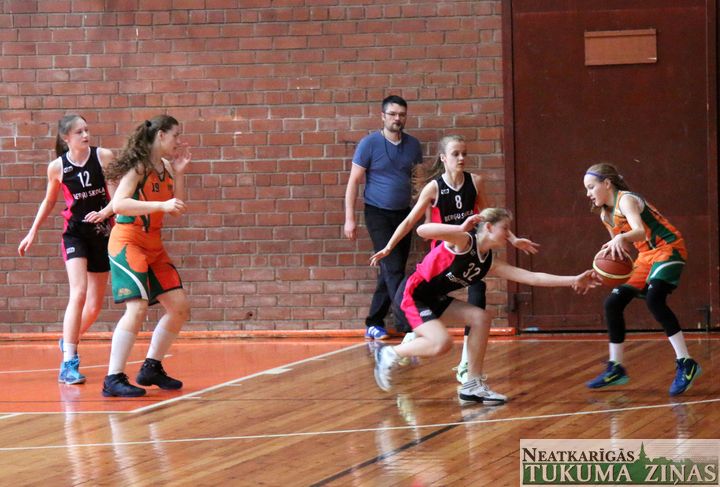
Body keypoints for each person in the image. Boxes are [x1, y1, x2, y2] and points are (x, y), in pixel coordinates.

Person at [373, 208, 599, 404]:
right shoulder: (463, 241)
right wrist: (459, 228)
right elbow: (423, 231)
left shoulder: (489, 262)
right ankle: (389, 353)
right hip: (413, 294)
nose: (509, 234)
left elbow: (533, 277)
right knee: (442, 343)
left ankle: (472, 384)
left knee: (480, 318)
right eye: (505, 228)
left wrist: (574, 280)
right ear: (489, 227)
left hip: (434, 297)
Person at [370, 135, 539, 380]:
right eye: (455, 154)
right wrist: (388, 247)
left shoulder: (475, 182)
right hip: (445, 253)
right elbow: (410, 221)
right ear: (443, 158)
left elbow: (491, 216)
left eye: (464, 154)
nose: (461, 158)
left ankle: (466, 364)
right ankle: (414, 335)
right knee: (428, 296)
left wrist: (512, 239)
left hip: (470, 249)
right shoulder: (434, 188)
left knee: (478, 296)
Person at [583, 163, 701, 396]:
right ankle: (616, 368)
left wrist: (621, 238)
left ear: (607, 183)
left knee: (655, 299)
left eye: (591, 187)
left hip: (668, 248)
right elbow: (620, 251)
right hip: (646, 257)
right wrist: (603, 269)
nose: (588, 193)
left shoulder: (626, 199)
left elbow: (638, 231)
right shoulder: (606, 214)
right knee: (613, 302)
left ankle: (686, 362)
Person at [18, 114, 115, 385]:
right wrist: (32, 231)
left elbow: (116, 194)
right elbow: (49, 201)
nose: (86, 135)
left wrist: (110, 215)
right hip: (75, 235)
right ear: (66, 138)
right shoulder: (58, 167)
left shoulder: (103, 157)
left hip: (102, 233)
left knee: (94, 306)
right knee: (78, 292)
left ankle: (68, 339)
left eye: (87, 130)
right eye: (79, 132)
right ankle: (69, 362)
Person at [101, 115, 191, 397]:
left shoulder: (166, 167)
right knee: (137, 308)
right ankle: (113, 378)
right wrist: (161, 205)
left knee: (180, 308)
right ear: (161, 135)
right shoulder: (139, 167)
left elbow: (176, 209)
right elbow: (119, 204)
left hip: (153, 245)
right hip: (128, 241)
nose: (179, 141)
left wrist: (179, 174)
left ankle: (151, 367)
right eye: (176, 135)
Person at [344, 95, 424, 340]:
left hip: (404, 214)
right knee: (393, 268)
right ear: (383, 116)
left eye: (402, 115)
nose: (397, 118)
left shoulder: (413, 145)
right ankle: (408, 325)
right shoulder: (369, 144)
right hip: (377, 213)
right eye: (393, 114)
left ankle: (374, 321)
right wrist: (349, 218)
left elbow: (419, 182)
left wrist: (424, 212)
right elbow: (354, 181)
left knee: (390, 270)